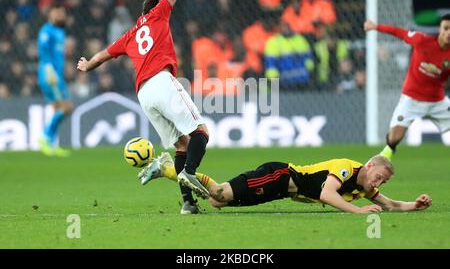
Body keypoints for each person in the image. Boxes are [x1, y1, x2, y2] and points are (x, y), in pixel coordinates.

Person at [77, 0, 210, 215]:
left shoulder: (130, 35)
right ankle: (189, 172)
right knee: (200, 132)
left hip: (144, 94)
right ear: (157, 6)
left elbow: (101, 56)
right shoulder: (158, 15)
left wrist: (88, 66)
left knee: (182, 144)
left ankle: (188, 203)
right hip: (161, 81)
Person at [139, 153, 432, 213]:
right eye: (380, 176)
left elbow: (389, 205)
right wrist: (359, 212)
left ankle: (167, 168)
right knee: (218, 193)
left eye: (384, 180)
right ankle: (165, 167)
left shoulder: (363, 186)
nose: (380, 182)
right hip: (280, 176)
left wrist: (415, 206)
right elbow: (328, 195)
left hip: (280, 191)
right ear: (369, 166)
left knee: (216, 200)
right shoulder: (347, 170)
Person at [364, 15, 450, 159]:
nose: (448, 33)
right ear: (440, 30)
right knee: (394, 138)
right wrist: (375, 26)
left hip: (437, 101)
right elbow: (399, 32)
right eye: (446, 28)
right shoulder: (422, 40)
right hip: (412, 99)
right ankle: (383, 159)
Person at [37, 5, 73, 157]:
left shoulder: (60, 31)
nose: (61, 16)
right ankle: (44, 137)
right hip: (49, 74)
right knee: (66, 107)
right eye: (58, 13)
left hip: (56, 73)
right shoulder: (46, 30)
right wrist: (50, 71)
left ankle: (51, 143)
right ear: (51, 14)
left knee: (57, 108)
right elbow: (43, 51)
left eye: (63, 13)